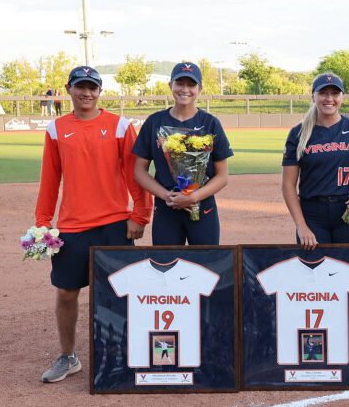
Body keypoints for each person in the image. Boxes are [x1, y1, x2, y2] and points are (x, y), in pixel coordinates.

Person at [35, 66, 152, 383]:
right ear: (69, 89)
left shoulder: (118, 125)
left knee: (117, 293)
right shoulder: (57, 129)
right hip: (72, 227)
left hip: (115, 223)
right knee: (66, 293)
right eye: (80, 87)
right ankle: (68, 356)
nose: (86, 93)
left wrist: (140, 215)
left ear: (100, 91)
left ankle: (123, 355)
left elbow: (135, 174)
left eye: (92, 87)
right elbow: (50, 180)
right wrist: (43, 224)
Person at [133, 62, 233, 246]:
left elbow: (222, 176)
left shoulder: (210, 123)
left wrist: (193, 197)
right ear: (170, 85)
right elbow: (139, 171)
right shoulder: (155, 122)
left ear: (200, 89)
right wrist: (166, 196)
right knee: (166, 264)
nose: (185, 89)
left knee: (207, 266)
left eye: (191, 84)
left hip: (203, 208)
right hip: (166, 208)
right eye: (180, 83)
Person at [281, 72, 349, 248]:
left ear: (342, 97)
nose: (329, 98)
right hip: (312, 215)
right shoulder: (298, 133)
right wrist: (301, 227)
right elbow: (288, 185)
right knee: (314, 271)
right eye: (323, 93)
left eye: (335, 93)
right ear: (313, 96)